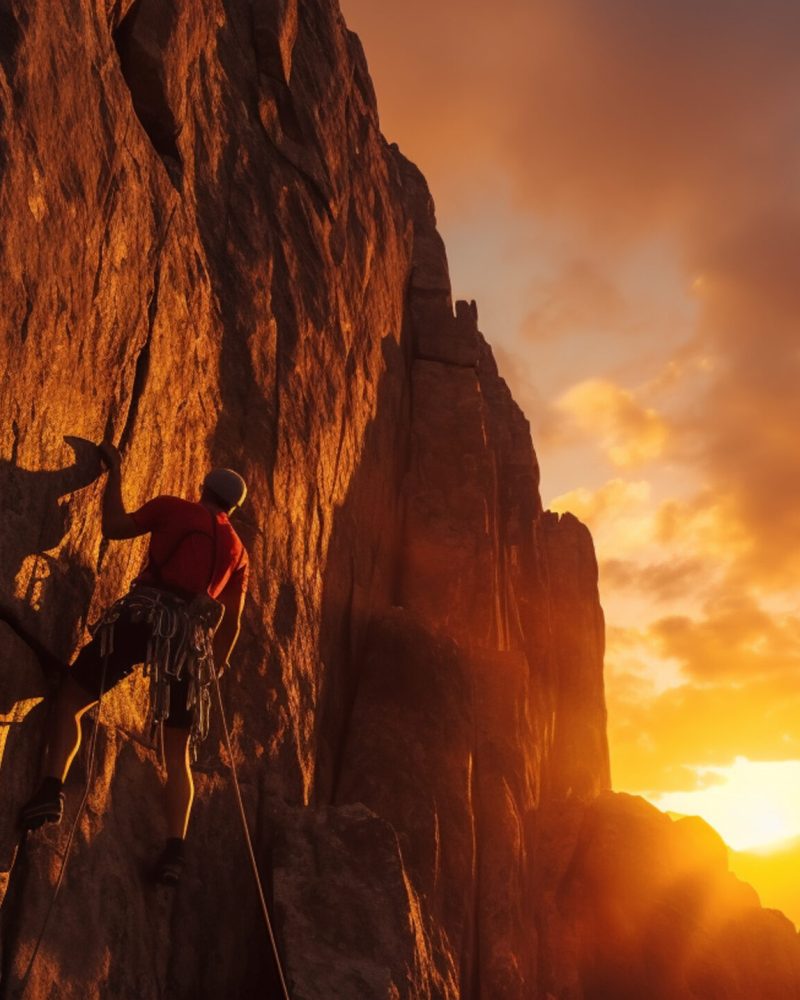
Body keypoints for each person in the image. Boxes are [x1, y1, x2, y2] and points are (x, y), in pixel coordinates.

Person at [19, 441, 249, 885]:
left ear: (202, 489)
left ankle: (51, 791)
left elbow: (113, 527)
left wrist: (117, 473)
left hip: (143, 617)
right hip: (189, 644)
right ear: (233, 508)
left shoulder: (174, 509)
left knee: (72, 699)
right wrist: (214, 669)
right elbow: (232, 624)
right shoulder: (239, 552)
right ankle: (174, 851)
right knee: (177, 752)